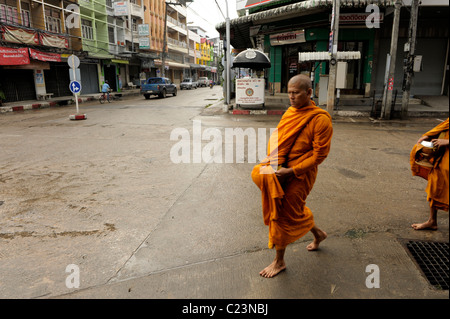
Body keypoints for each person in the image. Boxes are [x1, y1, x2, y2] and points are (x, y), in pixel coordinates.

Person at [251, 74, 333, 278]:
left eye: (296, 93)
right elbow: (279, 138)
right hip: (282, 168)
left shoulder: (320, 119)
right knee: (293, 209)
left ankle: (279, 262)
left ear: (309, 93)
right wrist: (272, 162)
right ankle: (318, 234)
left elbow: (319, 156)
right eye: (289, 92)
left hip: (301, 173)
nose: (292, 97)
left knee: (282, 213)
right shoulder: (290, 112)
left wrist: (292, 171)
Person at [410, 118, 449, 230]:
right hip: (445, 155)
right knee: (435, 182)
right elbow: (445, 125)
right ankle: (432, 221)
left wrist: (447, 142)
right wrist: (429, 136)